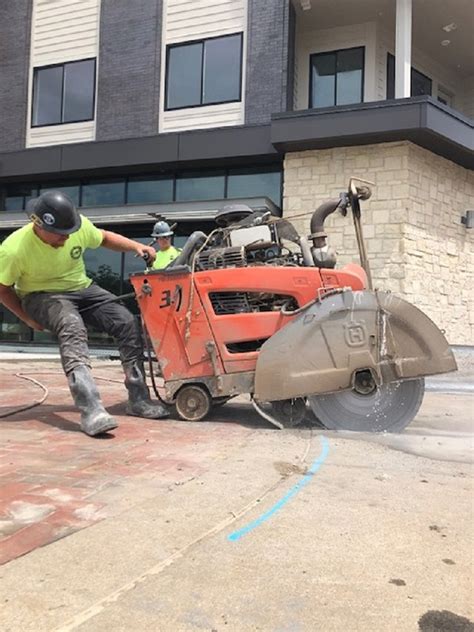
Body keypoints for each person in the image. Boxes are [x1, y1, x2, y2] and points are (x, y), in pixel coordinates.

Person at [0, 191, 169, 437]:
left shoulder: (75, 227)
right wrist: (26, 318)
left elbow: (105, 238)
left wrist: (137, 246)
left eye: (69, 233)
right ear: (38, 224)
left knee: (126, 322)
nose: (66, 239)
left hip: (82, 288)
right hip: (41, 295)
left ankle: (139, 400)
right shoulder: (13, 250)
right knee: (72, 326)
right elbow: (3, 290)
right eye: (60, 234)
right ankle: (91, 409)